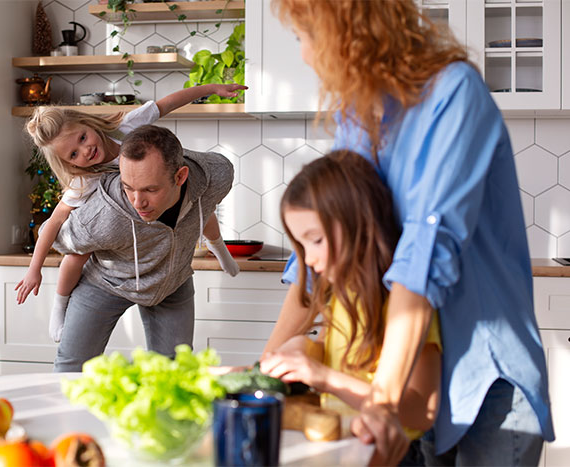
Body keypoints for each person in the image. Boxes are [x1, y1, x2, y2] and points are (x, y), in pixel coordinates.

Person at [264, 1, 554, 465]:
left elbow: (424, 256)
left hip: (484, 376)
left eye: (307, 36)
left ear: (351, 33)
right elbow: (324, 244)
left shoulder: (453, 94)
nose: (302, 54)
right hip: (407, 370)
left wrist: (382, 400)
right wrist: (268, 366)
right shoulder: (357, 116)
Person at [15, 83, 245, 343]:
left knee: (198, 202)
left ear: (87, 123)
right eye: (74, 154)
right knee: (78, 254)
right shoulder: (85, 180)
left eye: (82, 138)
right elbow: (55, 221)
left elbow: (168, 103)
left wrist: (212, 88)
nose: (86, 150)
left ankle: (219, 248)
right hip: (111, 235)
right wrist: (35, 269)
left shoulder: (125, 128)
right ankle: (59, 306)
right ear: (69, 163)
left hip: (156, 212)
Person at [261, 151, 441, 462]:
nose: (309, 259)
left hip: (395, 455)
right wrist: (301, 349)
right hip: (345, 446)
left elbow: (421, 410)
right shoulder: (343, 296)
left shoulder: (404, 304)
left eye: (316, 240)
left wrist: (323, 377)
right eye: (301, 246)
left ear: (359, 225)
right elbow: (330, 350)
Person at [49, 124, 234, 371]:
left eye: (150, 189)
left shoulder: (217, 176)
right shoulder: (103, 217)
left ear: (181, 176)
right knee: (71, 367)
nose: (138, 202)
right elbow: (60, 241)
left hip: (171, 282)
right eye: (128, 187)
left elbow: (207, 206)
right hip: (106, 282)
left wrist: (221, 250)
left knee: (175, 372)